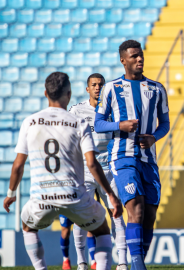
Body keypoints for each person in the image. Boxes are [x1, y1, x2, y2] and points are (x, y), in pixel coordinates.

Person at [3, 72, 122, 270]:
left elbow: (17, 165)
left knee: (28, 227)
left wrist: (11, 194)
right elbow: (92, 164)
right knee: (102, 230)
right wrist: (110, 194)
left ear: (45, 93)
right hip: (73, 196)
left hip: (42, 197)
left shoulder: (30, 122)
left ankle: (41, 268)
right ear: (69, 93)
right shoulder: (79, 123)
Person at [95, 40, 170, 270]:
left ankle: (139, 262)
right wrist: (121, 125)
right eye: (134, 56)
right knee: (135, 207)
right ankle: (137, 266)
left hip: (148, 159)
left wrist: (154, 137)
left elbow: (165, 124)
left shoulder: (156, 88)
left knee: (149, 214)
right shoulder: (112, 88)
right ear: (123, 60)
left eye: (141, 55)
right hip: (122, 157)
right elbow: (98, 124)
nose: (140, 59)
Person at [69, 73, 128, 270]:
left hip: (107, 169)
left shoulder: (113, 111)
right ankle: (81, 262)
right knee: (80, 216)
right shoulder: (77, 111)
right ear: (87, 89)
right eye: (94, 85)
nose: (98, 88)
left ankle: (122, 262)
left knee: (116, 213)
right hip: (84, 170)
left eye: (101, 84)